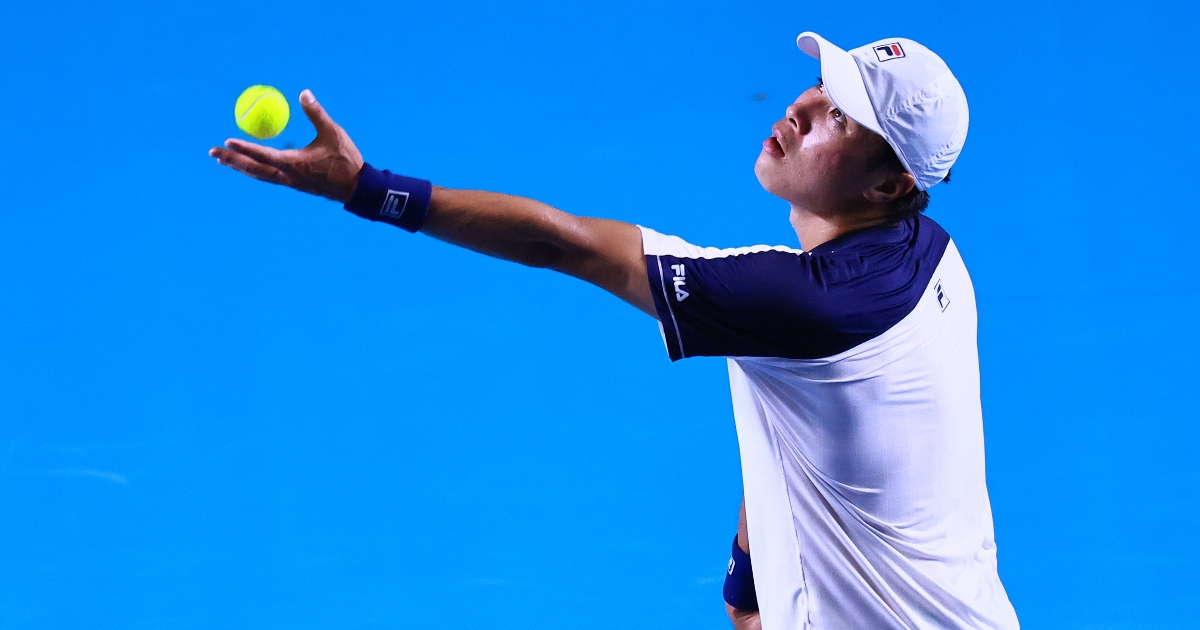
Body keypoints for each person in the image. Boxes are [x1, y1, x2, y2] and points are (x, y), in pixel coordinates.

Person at [209, 30, 1019, 630]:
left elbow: (564, 243)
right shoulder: (934, 256)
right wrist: (748, 581)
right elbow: (800, 423)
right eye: (817, 87)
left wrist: (368, 188)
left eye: (839, 117)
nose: (799, 109)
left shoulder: (802, 302)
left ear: (889, 186)